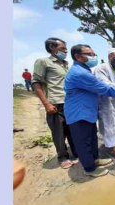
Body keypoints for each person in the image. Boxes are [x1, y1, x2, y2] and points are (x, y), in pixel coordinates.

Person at [64, 44, 115, 177]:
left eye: (94, 54)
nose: (94, 56)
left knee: (91, 138)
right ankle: (90, 169)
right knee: (84, 142)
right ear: (78, 56)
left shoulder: (85, 69)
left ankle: (95, 160)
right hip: (79, 112)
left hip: (88, 111)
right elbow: (104, 88)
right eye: (90, 54)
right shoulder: (80, 72)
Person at [32, 37, 77, 169]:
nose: (65, 51)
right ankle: (62, 157)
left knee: (72, 130)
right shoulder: (43, 62)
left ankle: (75, 152)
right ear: (52, 48)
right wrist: (46, 104)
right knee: (59, 132)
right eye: (62, 48)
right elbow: (36, 83)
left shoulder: (66, 64)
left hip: (69, 102)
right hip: (55, 103)